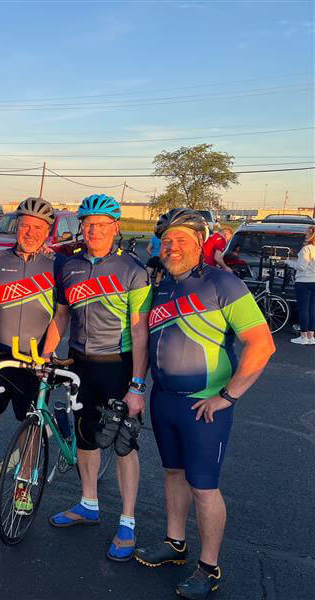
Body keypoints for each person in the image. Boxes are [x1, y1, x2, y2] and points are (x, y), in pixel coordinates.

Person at [135, 208, 274, 599]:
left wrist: (228, 396)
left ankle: (209, 567)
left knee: (204, 489)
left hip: (203, 406)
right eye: (166, 240)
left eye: (181, 239)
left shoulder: (222, 283)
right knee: (172, 475)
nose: (172, 246)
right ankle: (175, 542)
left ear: (200, 243)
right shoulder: (161, 284)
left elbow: (262, 344)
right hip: (164, 400)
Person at [44, 193, 151, 562]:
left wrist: (137, 384)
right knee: (86, 435)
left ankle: (128, 521)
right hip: (79, 363)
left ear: (115, 228)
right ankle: (88, 503)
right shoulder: (69, 266)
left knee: (123, 445)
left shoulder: (133, 270)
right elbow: (60, 316)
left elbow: (140, 332)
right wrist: (46, 355)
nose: (93, 231)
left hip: (116, 364)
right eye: (87, 225)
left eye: (101, 225)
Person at [0, 197, 59, 512]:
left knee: (30, 426)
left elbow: (66, 313)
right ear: (17, 226)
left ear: (48, 232)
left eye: (38, 227)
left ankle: (23, 485)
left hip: (35, 362)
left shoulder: (56, 266)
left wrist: (50, 352)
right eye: (25, 224)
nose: (30, 231)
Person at [286, 225, 315, 344]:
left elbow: (302, 266)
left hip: (304, 282)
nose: (305, 234)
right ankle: (311, 336)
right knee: (313, 309)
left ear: (311, 234)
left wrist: (288, 262)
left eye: (306, 233)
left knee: (303, 309)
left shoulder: (306, 249)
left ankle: (303, 337)